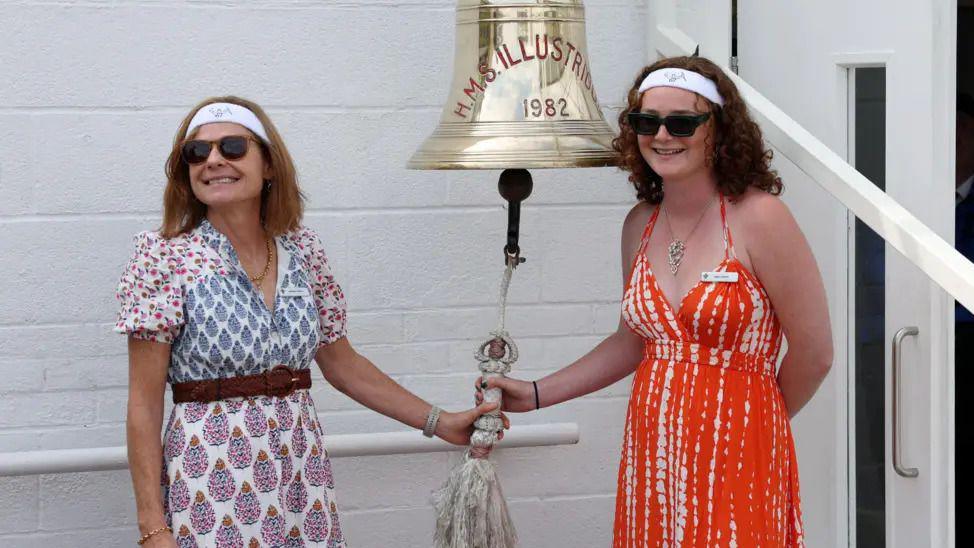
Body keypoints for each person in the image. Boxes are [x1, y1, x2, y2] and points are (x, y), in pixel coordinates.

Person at [116, 96, 506, 547]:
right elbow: (143, 405)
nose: (214, 160)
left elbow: (342, 364)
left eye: (233, 147)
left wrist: (440, 421)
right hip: (212, 475)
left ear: (269, 166)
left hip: (301, 472)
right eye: (197, 153)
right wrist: (152, 526)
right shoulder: (163, 258)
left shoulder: (302, 251)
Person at [477, 56, 832, 546]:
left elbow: (816, 353)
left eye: (682, 121)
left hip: (738, 453)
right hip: (655, 452)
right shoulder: (639, 224)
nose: (662, 135)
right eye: (647, 121)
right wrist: (537, 393)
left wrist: (751, 425)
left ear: (718, 129)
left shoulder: (760, 217)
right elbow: (632, 342)